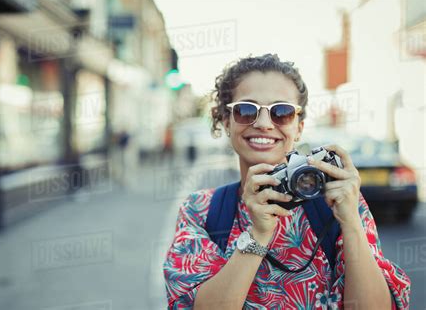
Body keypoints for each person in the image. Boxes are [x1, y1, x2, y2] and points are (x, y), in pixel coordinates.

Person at [163, 54, 410, 309]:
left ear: (299, 127)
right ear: (226, 121)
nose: (263, 124)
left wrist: (352, 224)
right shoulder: (201, 211)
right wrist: (257, 235)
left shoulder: (338, 201)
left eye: (281, 112)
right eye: (246, 110)